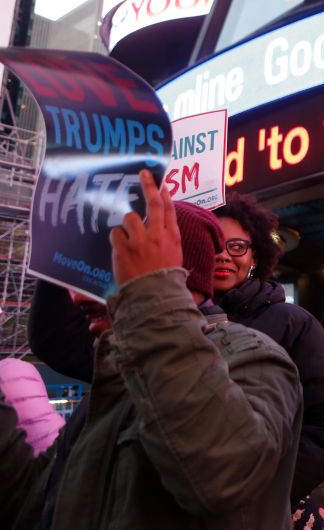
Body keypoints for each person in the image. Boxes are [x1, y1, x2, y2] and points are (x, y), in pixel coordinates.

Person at [1, 170, 302, 529]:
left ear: (166, 274)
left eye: (108, 271)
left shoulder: (253, 357)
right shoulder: (115, 373)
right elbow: (37, 501)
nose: (78, 296)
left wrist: (149, 297)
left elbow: (221, 477)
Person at [213, 193, 324, 507]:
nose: (222, 255)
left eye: (236, 246)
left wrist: (263, 493)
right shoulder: (177, 325)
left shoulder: (294, 323)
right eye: (212, 243)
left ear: (256, 257)